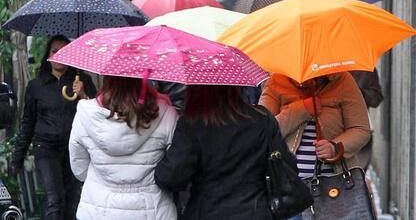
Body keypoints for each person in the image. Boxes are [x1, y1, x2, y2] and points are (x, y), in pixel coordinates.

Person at [155, 85, 296, 220]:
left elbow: (171, 177)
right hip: (256, 211)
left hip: (206, 212)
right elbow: (287, 165)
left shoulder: (193, 124)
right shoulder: (261, 119)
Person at [259, 72, 371, 219]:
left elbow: (360, 129)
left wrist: (335, 147)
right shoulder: (277, 82)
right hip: (289, 188)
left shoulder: (343, 80)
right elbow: (261, 131)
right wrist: (301, 110)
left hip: (335, 184)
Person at [11, 35, 97, 220]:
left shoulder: (82, 82)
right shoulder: (36, 86)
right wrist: (18, 158)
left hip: (75, 149)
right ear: (48, 55)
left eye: (64, 51)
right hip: (46, 149)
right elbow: (28, 123)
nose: (59, 55)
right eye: (54, 51)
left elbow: (98, 115)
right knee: (54, 199)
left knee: (72, 200)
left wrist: (82, 94)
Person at [69, 76, 178, 220]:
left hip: (98, 209)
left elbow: (79, 169)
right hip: (152, 209)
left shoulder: (86, 115)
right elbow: (175, 167)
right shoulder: (166, 114)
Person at [350, 69, 384, 170]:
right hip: (333, 130)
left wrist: (361, 93)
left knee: (358, 173)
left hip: (360, 129)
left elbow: (376, 99)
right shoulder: (330, 68)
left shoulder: (367, 69)